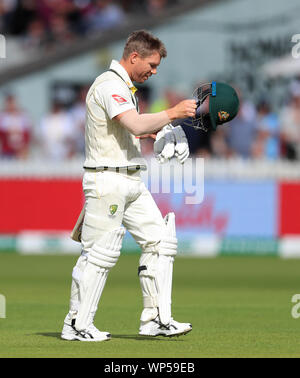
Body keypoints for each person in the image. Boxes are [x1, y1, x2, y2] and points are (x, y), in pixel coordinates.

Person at [61, 30, 239, 342]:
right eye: (152, 65)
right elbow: (133, 123)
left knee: (161, 242)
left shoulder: (126, 88)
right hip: (107, 179)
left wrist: (156, 134)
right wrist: (172, 114)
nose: (154, 71)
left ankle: (156, 319)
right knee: (100, 254)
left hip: (130, 178)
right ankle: (76, 324)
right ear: (134, 57)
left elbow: (128, 131)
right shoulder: (109, 84)